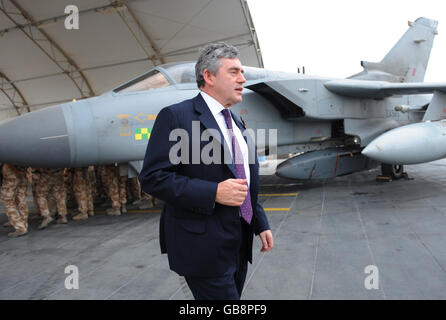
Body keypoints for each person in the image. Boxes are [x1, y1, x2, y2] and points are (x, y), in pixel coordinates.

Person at [139, 43, 274, 300]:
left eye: (242, 72)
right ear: (209, 77)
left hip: (238, 242)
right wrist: (213, 192)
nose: (242, 78)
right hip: (202, 246)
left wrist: (260, 223)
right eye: (233, 72)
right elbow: (153, 178)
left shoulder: (235, 121)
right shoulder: (176, 117)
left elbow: (242, 178)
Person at [1, 164, 29, 237]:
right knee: (21, 199)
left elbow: (7, 159)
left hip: (12, 175)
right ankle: (23, 223)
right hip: (22, 173)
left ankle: (20, 227)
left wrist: (14, 170)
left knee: (8, 200)